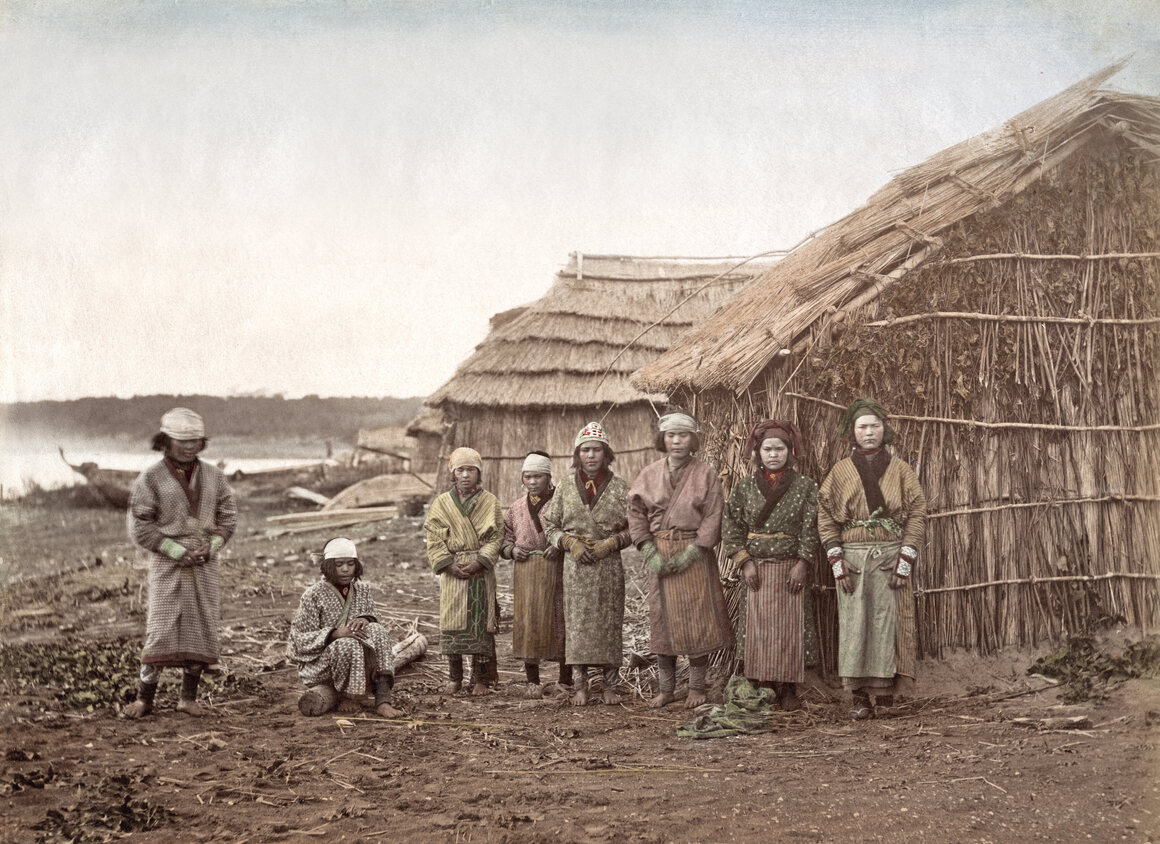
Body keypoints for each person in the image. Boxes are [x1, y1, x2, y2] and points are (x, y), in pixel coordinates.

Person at [124, 407, 237, 719]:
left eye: (195, 441)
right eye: (181, 441)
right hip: (167, 563)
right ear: (165, 441)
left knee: (199, 625)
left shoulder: (214, 477)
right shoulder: (151, 478)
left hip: (204, 563)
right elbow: (141, 525)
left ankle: (188, 698)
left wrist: (211, 545)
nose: (189, 446)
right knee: (160, 628)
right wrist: (175, 550)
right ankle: (145, 699)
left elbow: (227, 517)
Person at [818, 398, 927, 720]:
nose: (869, 433)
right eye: (862, 427)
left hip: (890, 558)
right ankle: (859, 697)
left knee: (888, 624)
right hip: (853, 561)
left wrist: (904, 560)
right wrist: (837, 563)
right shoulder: (839, 472)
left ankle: (887, 695)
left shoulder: (901, 470)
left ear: (885, 429)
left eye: (875, 426)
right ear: (853, 432)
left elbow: (917, 512)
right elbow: (825, 517)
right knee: (855, 626)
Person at [628, 410, 732, 709]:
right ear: (662, 438)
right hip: (659, 552)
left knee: (696, 621)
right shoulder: (647, 474)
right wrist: (649, 551)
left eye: (683, 435)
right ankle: (666, 688)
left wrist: (695, 550)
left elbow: (714, 514)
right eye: (671, 435)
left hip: (695, 555)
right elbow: (636, 514)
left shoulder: (706, 474)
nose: (676, 441)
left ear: (693, 439)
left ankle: (697, 687)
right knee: (663, 622)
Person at [721, 419, 819, 711]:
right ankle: (764, 683)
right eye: (767, 448)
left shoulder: (805, 487)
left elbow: (811, 527)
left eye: (780, 448)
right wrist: (744, 562)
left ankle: (788, 687)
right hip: (757, 569)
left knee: (790, 628)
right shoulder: (744, 489)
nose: (774, 454)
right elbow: (730, 527)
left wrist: (802, 563)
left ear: (790, 451)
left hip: (790, 568)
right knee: (759, 628)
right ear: (757, 452)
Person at [543, 421, 632, 706]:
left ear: (606, 453)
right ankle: (580, 684)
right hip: (576, 567)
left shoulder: (621, 488)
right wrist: (570, 543)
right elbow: (550, 526)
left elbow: (636, 528)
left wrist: (612, 543)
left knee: (609, 622)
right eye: (585, 450)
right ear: (577, 455)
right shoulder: (566, 487)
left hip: (608, 566)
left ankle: (610, 685)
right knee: (578, 625)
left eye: (596, 450)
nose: (591, 455)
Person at [287, 537, 403, 718]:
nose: (345, 569)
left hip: (359, 664)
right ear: (328, 567)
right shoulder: (313, 595)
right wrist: (333, 634)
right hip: (321, 666)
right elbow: (297, 640)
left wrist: (366, 618)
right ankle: (349, 696)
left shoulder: (362, 589)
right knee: (347, 643)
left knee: (378, 630)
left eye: (350, 564)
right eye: (339, 564)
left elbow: (372, 614)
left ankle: (383, 699)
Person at [424, 447, 504, 696]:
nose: (466, 475)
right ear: (453, 473)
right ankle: (455, 677)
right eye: (460, 470)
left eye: (471, 469)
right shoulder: (442, 503)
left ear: (478, 473)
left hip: (479, 570)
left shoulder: (490, 502)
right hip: (453, 570)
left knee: (481, 623)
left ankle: (481, 678)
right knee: (452, 622)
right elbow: (433, 536)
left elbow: (496, 536)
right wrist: (448, 564)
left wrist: (481, 561)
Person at [500, 451, 572, 698]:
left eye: (538, 476)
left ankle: (566, 678)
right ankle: (533, 679)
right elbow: (506, 537)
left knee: (560, 619)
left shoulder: (561, 501)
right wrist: (511, 551)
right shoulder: (516, 507)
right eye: (528, 476)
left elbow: (571, 530)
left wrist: (558, 545)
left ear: (549, 476)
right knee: (528, 621)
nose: (533, 481)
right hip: (527, 571)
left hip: (556, 568)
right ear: (522, 478)